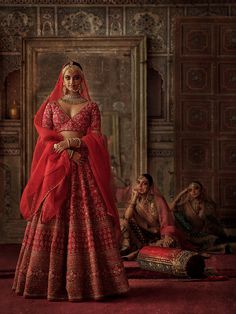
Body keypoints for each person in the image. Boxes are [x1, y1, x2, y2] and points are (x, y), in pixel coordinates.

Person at [13, 61, 129, 301]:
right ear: (61, 80)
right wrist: (66, 151)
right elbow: (45, 139)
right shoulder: (52, 106)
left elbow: (97, 138)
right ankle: (48, 284)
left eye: (76, 77)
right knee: (52, 215)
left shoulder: (91, 107)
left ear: (82, 80)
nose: (72, 82)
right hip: (57, 167)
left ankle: (93, 284)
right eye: (67, 78)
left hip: (84, 167)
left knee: (87, 217)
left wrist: (72, 143)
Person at [120, 174, 180, 260]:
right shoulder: (134, 200)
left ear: (150, 187)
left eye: (144, 184)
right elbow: (127, 218)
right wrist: (134, 199)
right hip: (140, 235)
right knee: (123, 222)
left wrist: (167, 236)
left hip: (157, 235)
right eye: (138, 182)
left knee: (168, 244)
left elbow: (167, 221)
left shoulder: (158, 200)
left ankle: (138, 253)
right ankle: (137, 250)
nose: (140, 186)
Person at [170, 181, 228, 252]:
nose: (193, 191)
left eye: (196, 188)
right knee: (174, 214)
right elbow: (171, 208)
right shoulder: (186, 205)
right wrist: (182, 193)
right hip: (190, 234)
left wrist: (202, 208)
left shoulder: (209, 204)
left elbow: (208, 221)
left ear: (201, 190)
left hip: (205, 233)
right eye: (190, 190)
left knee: (213, 239)